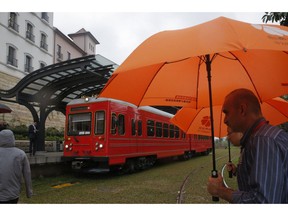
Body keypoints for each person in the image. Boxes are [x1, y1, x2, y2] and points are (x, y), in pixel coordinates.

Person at [207, 88, 288, 203]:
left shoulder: (262, 141)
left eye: (226, 112)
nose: (225, 120)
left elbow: (262, 202)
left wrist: (220, 191)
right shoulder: (265, 137)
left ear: (242, 109)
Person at [0, 129, 33, 203]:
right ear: (12, 138)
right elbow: (27, 174)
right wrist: (29, 192)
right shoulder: (20, 154)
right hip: (13, 194)